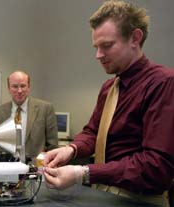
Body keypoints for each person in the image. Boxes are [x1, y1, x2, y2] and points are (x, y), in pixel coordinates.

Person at [43, 1, 174, 206]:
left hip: (140, 199)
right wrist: (71, 149)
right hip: (104, 194)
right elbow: (93, 132)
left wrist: (82, 173)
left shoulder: (163, 83)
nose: (98, 55)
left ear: (135, 38)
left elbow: (155, 166)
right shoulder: (109, 88)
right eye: (96, 47)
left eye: (107, 45)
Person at [0, 70, 58, 159]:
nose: (19, 91)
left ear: (29, 87)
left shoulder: (46, 108)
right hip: (7, 166)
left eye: (23, 86)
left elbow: (53, 145)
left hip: (35, 167)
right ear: (9, 88)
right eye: (15, 86)